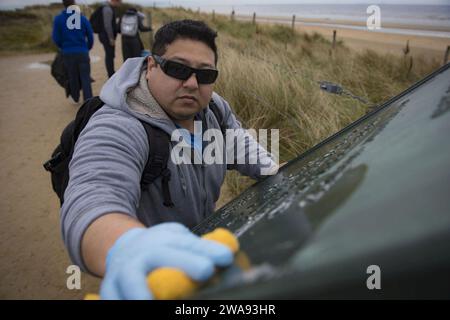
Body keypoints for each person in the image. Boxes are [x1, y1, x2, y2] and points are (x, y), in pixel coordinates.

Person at [61, 20, 279, 300]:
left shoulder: (213, 109)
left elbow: (244, 148)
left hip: (203, 259)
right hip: (160, 280)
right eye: (177, 69)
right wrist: (128, 245)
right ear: (151, 66)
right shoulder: (118, 126)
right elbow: (91, 197)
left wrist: (280, 172)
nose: (191, 83)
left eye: (205, 74)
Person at [52, 0, 93, 103]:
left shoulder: (58, 19)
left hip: (68, 53)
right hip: (82, 52)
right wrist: (87, 48)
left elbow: (56, 38)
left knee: (72, 76)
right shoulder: (82, 18)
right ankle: (88, 102)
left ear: (64, 4)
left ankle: (75, 97)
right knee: (85, 77)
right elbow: (90, 36)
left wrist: (63, 47)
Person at [98, 0, 121, 77]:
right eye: (119, 2)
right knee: (109, 55)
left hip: (105, 35)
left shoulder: (107, 7)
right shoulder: (107, 9)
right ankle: (111, 74)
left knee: (110, 55)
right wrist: (111, 38)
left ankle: (111, 72)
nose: (120, 4)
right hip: (106, 37)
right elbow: (107, 25)